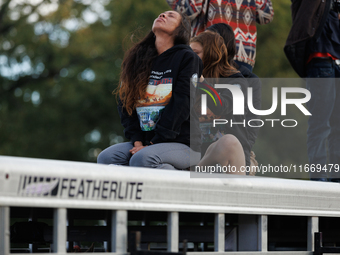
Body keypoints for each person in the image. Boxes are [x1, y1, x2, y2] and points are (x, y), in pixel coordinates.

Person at [97, 11, 203, 170]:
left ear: (181, 30)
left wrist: (154, 143)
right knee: (106, 158)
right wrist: (137, 141)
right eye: (162, 14)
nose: (163, 15)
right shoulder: (138, 59)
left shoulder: (187, 58)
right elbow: (125, 104)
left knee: (144, 158)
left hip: (184, 144)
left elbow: (183, 103)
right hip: (145, 143)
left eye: (171, 16)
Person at [284, 0, 340, 182]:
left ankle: (335, 179)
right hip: (319, 60)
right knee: (319, 125)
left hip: (335, 60)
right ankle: (320, 179)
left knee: (337, 127)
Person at [190, 30, 251, 174]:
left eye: (195, 53)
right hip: (197, 154)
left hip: (230, 160)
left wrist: (202, 83)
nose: (190, 58)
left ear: (211, 54)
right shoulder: (189, 82)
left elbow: (221, 106)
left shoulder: (237, 82)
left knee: (228, 142)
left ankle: (195, 171)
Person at [207, 23, 262, 173]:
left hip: (236, 148)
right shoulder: (198, 74)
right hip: (202, 147)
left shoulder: (248, 80)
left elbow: (252, 124)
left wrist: (242, 151)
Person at [166, 0, 274, 71]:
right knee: (200, 101)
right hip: (205, 52)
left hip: (241, 53)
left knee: (235, 103)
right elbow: (186, 11)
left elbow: (266, 15)